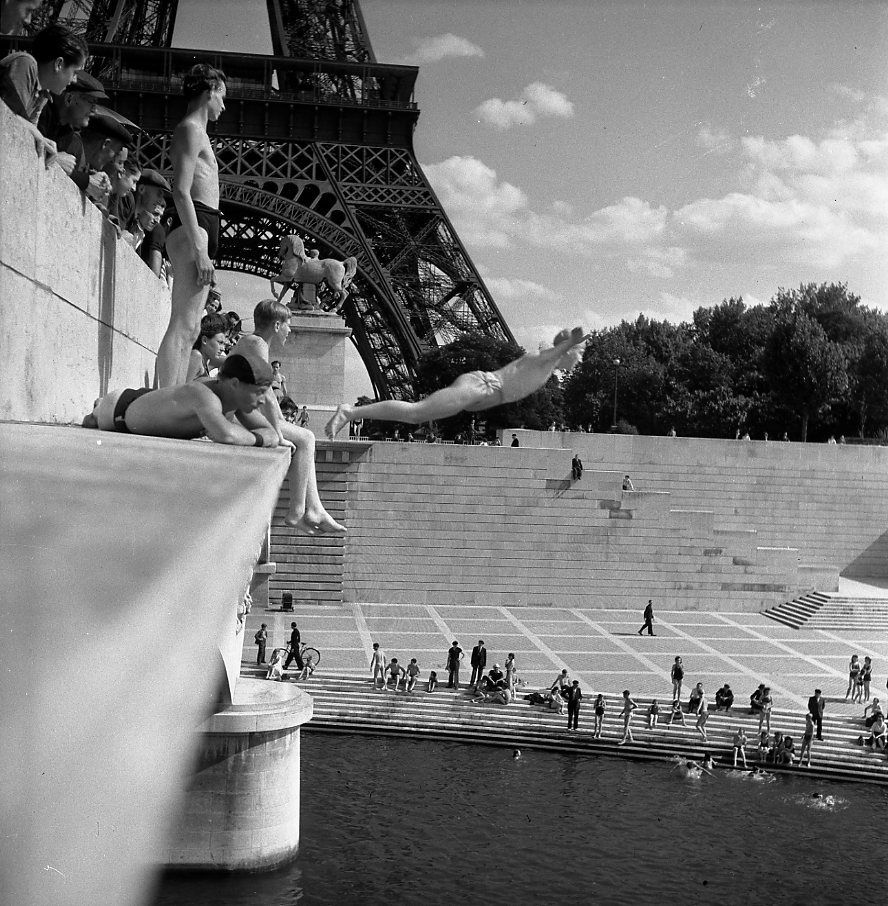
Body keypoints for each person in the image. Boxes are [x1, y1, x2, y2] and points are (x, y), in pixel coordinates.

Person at [325, 328, 589, 438]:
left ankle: (352, 413)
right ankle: (350, 412)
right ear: (567, 350)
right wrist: (573, 340)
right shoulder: (544, 359)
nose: (579, 361)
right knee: (416, 412)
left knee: (416, 415)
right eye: (579, 355)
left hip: (481, 392)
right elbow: (561, 348)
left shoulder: (547, 368)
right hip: (480, 386)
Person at [231, 299, 345, 535]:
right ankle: (299, 509)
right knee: (307, 438)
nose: (290, 330)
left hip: (241, 412)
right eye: (288, 324)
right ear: (276, 325)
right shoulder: (258, 344)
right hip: (239, 416)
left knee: (306, 438)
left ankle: (312, 509)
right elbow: (267, 394)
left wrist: (279, 423)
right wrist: (278, 431)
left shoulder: (251, 342)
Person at [155, 63, 227, 387]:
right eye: (221, 97)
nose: (223, 106)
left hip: (201, 223)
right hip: (193, 225)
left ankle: (172, 397)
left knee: (192, 328)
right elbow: (180, 190)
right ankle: (165, 401)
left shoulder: (198, 132)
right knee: (184, 325)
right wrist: (200, 248)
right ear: (209, 90)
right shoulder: (191, 129)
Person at [82, 350, 281, 447]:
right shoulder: (204, 395)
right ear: (235, 383)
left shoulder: (235, 400)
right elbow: (227, 435)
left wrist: (256, 438)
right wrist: (258, 439)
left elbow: (271, 433)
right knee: (92, 422)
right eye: (259, 391)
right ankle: (98, 407)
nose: (263, 400)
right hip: (120, 410)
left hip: (150, 405)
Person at [0, 23, 87, 160]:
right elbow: (9, 115)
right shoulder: (25, 63)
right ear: (59, 64)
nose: (74, 80)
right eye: (74, 72)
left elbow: (29, 129)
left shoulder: (44, 94)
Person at [36, 70, 110, 199]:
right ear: (69, 98)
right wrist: (55, 159)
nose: (94, 110)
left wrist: (91, 179)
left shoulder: (68, 133)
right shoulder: (43, 111)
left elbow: (66, 170)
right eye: (91, 102)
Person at [186, 312, 228, 381]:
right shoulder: (196, 357)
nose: (223, 348)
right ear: (204, 340)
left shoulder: (204, 362)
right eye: (220, 343)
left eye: (224, 344)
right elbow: (181, 388)